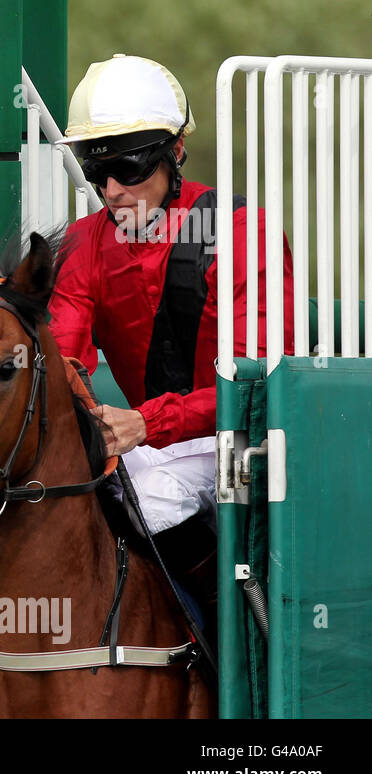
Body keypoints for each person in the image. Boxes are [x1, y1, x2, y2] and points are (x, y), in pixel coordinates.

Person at [52, 54, 294, 549]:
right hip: (149, 443)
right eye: (96, 169)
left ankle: (223, 626)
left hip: (245, 442)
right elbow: (63, 360)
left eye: (125, 167)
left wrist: (147, 421)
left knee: (144, 499)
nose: (111, 191)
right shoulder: (82, 244)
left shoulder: (244, 233)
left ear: (176, 151)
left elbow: (256, 388)